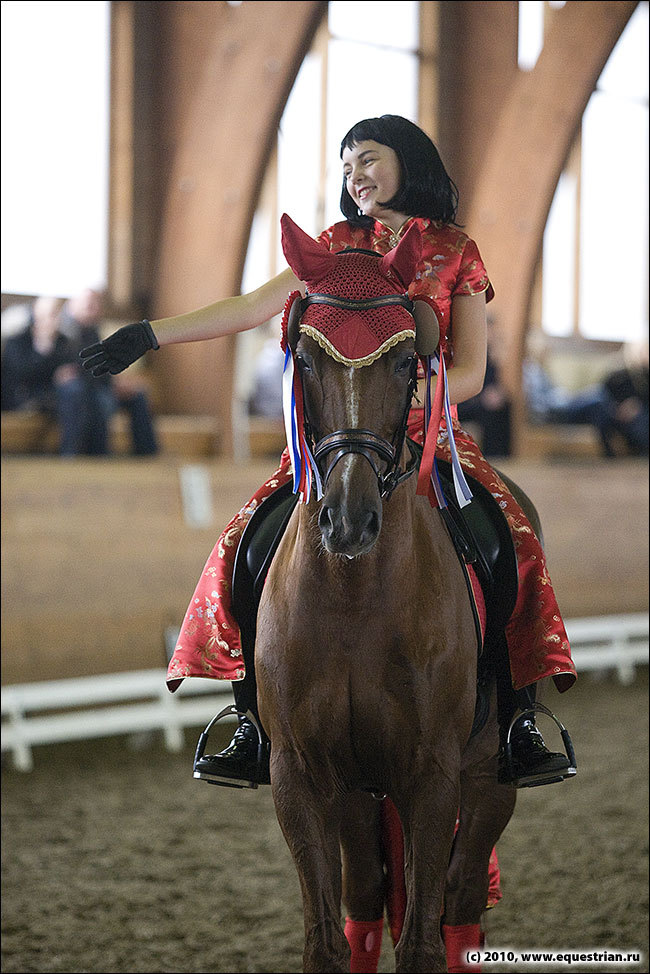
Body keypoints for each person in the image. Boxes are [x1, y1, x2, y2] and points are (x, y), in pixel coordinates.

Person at [80, 114, 577, 788]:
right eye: (346, 167)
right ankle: (253, 717)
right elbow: (252, 305)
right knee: (246, 542)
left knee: (512, 538)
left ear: (408, 160)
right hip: (335, 441)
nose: (355, 176)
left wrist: (412, 403)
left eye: (367, 159)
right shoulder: (334, 247)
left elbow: (472, 374)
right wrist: (148, 334)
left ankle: (517, 716)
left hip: (427, 435)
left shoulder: (455, 249)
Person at [61, 289, 158, 457]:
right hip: (79, 391)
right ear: (72, 306)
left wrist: (116, 383)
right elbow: (75, 369)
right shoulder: (65, 333)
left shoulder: (92, 331)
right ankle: (99, 456)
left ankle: (147, 455)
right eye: (88, 304)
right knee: (100, 399)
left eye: (96, 304)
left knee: (137, 395)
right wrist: (112, 384)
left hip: (100, 385)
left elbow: (100, 364)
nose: (92, 308)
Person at [1, 295, 102, 455]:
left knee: (82, 391)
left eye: (54, 314)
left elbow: (77, 368)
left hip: (55, 396)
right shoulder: (18, 341)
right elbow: (18, 374)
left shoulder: (65, 342)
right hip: (24, 396)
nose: (49, 320)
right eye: (45, 315)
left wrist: (67, 373)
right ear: (34, 315)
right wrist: (44, 349)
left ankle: (75, 454)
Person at [457, 318, 512, 458]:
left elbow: (493, 383)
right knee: (488, 410)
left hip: (481, 397)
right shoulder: (473, 351)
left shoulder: (491, 353)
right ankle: (491, 454)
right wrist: (483, 397)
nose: (492, 333)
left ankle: (504, 454)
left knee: (506, 406)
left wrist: (498, 394)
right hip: (466, 400)